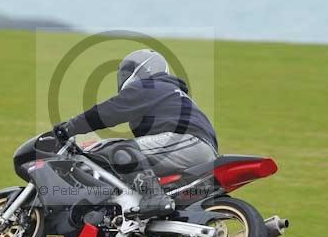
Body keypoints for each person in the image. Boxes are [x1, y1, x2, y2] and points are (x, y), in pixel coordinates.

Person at [52, 49, 218, 218]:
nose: (123, 77)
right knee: (125, 157)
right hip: (194, 149)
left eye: (126, 73)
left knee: (121, 151)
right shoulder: (169, 93)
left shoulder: (150, 86)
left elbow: (109, 111)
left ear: (143, 70)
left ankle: (154, 196)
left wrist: (69, 127)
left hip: (190, 143)